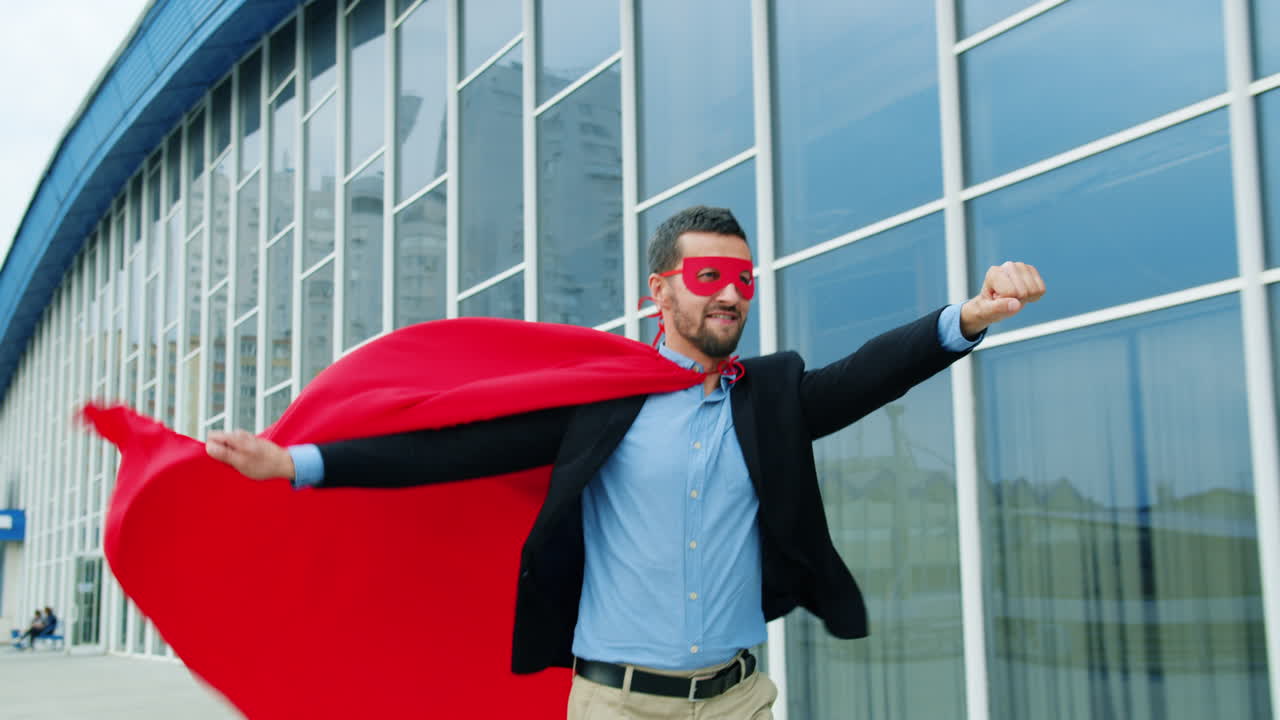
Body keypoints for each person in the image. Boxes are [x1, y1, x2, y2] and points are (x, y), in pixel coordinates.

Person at [206, 206, 1045, 719]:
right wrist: (297, 464)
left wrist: (964, 318)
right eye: (708, 274)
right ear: (661, 292)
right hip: (615, 705)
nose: (729, 294)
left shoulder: (770, 398)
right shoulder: (601, 400)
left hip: (741, 702)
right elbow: (456, 449)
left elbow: (866, 376)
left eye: (743, 279)